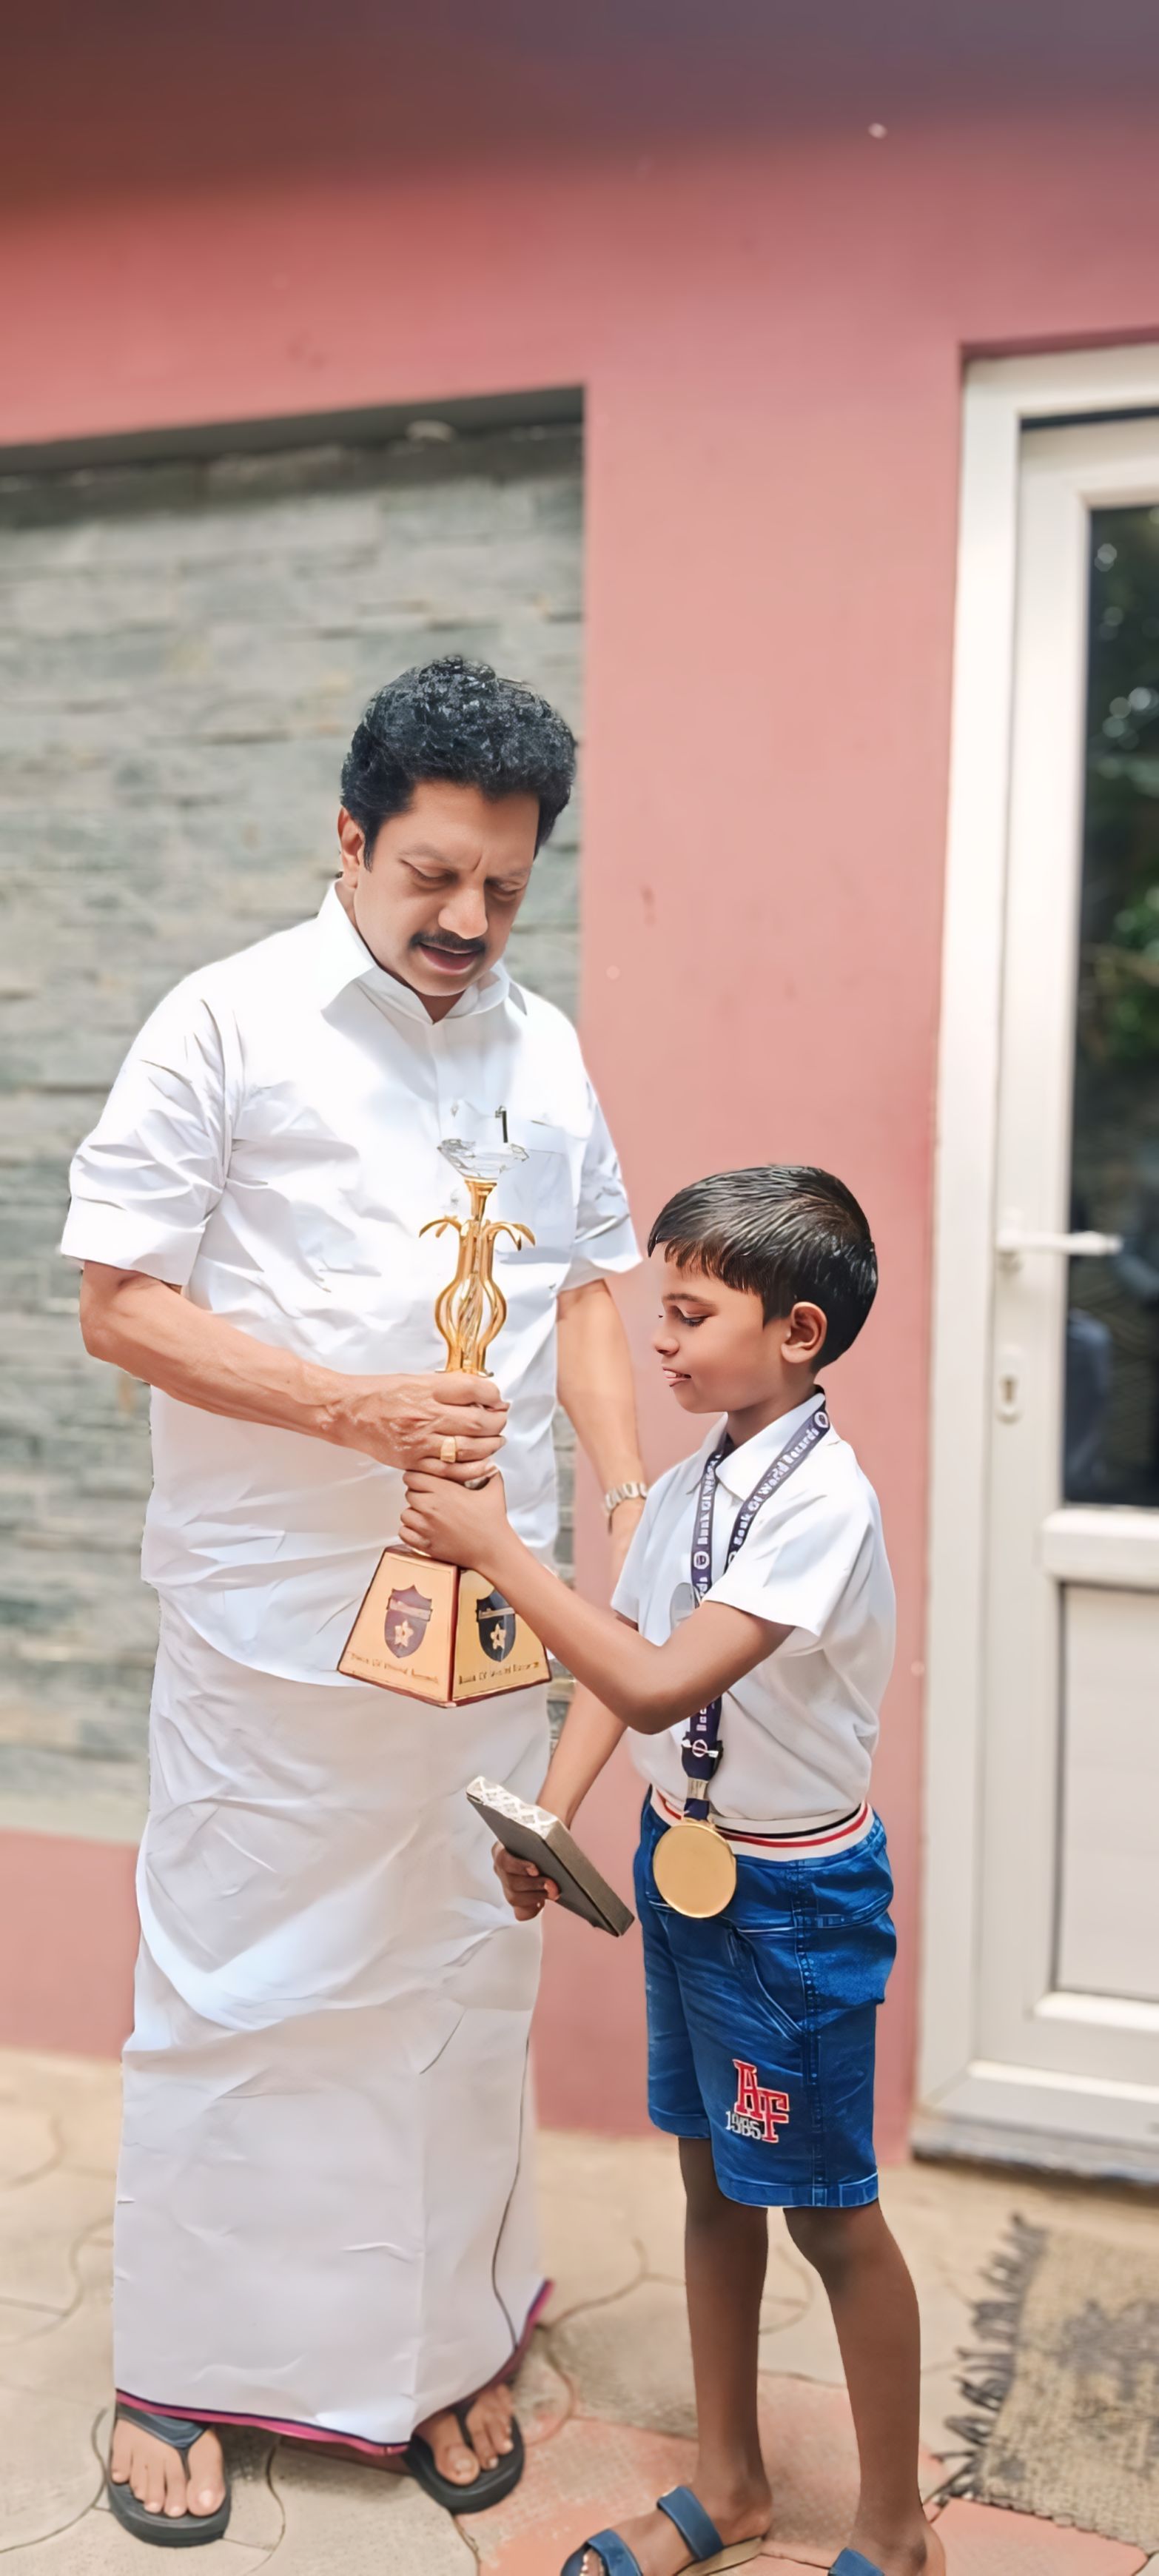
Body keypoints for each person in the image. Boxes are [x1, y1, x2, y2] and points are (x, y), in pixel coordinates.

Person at [62, 656, 648, 2544]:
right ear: (348, 837)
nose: (468, 919)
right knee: (241, 1981)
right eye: (432, 877)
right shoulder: (224, 1022)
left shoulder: (543, 1048)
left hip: (489, 1607)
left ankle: (444, 2348)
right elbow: (119, 1305)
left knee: (464, 1971)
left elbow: (584, 1285)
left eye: (505, 888)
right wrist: (354, 1411)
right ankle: (182, 2371)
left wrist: (626, 1492)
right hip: (273, 1621)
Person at [401, 1164, 944, 2576]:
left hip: (792, 1907)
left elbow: (655, 1683)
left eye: (691, 1314)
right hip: (682, 1867)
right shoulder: (702, 1479)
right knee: (708, 2187)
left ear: (798, 1334)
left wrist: (495, 1549)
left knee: (828, 2215)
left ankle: (897, 2533)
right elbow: (619, 1664)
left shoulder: (822, 1504)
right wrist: (549, 1820)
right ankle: (730, 2484)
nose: (659, 1339)